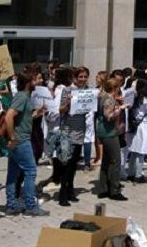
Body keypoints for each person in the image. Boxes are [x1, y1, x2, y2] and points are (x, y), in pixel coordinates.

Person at [4, 71, 49, 217]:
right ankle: (30, 206)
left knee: (13, 173)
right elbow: (9, 116)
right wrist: (12, 137)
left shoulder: (22, 97)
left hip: (19, 140)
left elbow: (25, 117)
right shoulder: (22, 97)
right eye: (36, 79)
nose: (39, 82)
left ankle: (11, 205)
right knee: (31, 172)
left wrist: (38, 112)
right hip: (21, 141)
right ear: (30, 82)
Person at [57, 67, 90, 206]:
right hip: (68, 132)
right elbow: (61, 110)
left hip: (80, 132)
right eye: (80, 76)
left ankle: (70, 190)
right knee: (66, 164)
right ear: (75, 77)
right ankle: (62, 195)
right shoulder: (67, 90)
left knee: (74, 164)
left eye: (85, 76)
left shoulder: (87, 90)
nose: (82, 79)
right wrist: (68, 102)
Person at [96, 78, 128, 200]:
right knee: (115, 161)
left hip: (103, 131)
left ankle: (103, 188)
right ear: (114, 89)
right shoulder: (108, 99)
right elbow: (109, 116)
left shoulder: (102, 96)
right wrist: (120, 109)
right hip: (108, 133)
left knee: (106, 160)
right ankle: (114, 190)